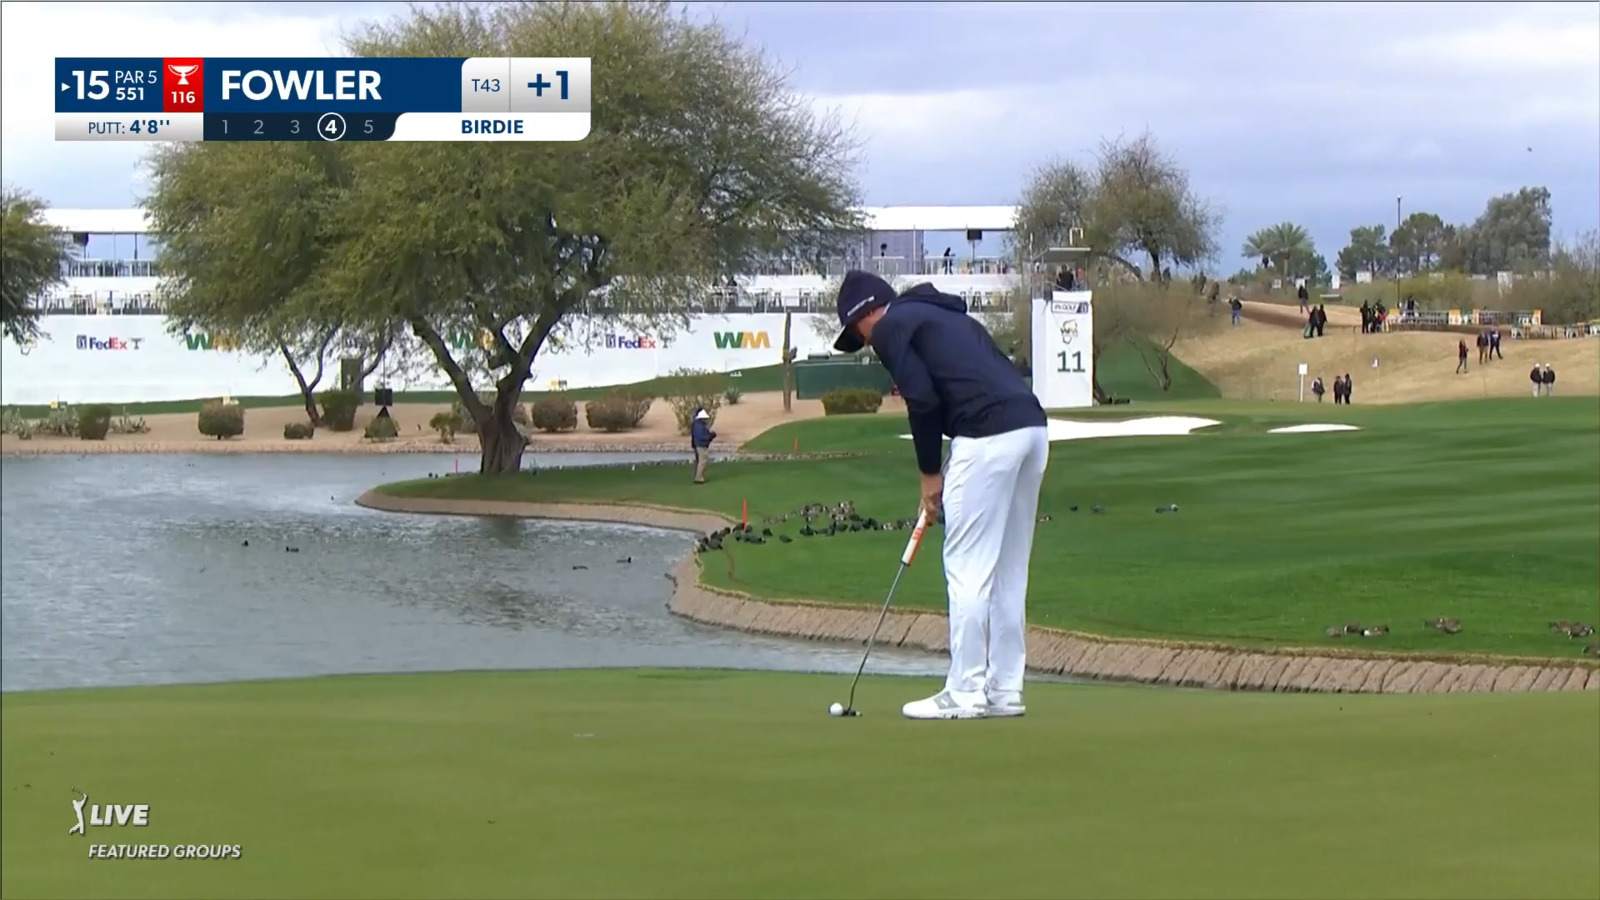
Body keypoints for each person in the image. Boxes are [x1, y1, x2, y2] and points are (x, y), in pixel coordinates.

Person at [832, 270, 1048, 720]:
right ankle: (1004, 690)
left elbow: (924, 401)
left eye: (860, 334)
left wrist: (930, 475)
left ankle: (965, 692)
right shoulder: (945, 317)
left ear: (867, 314)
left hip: (986, 436)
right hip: (1031, 430)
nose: (868, 344)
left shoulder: (892, 326)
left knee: (967, 567)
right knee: (1008, 570)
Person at [690, 407, 716, 484]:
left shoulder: (698, 424)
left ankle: (698, 476)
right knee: (702, 461)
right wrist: (711, 436)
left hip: (698, 444)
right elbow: (702, 436)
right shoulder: (699, 425)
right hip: (700, 445)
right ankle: (698, 478)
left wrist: (710, 436)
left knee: (700, 461)